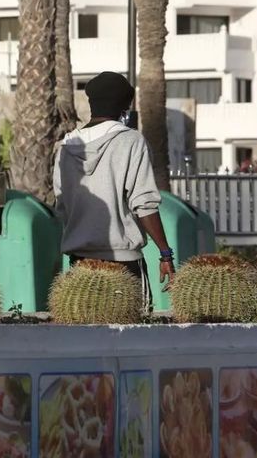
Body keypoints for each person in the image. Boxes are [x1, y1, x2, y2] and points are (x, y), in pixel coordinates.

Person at [54, 71, 175, 304]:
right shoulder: (131, 141)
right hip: (124, 265)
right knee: (132, 327)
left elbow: (61, 205)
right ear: (124, 108)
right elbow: (144, 204)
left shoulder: (65, 147)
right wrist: (165, 253)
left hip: (80, 265)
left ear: (91, 103)